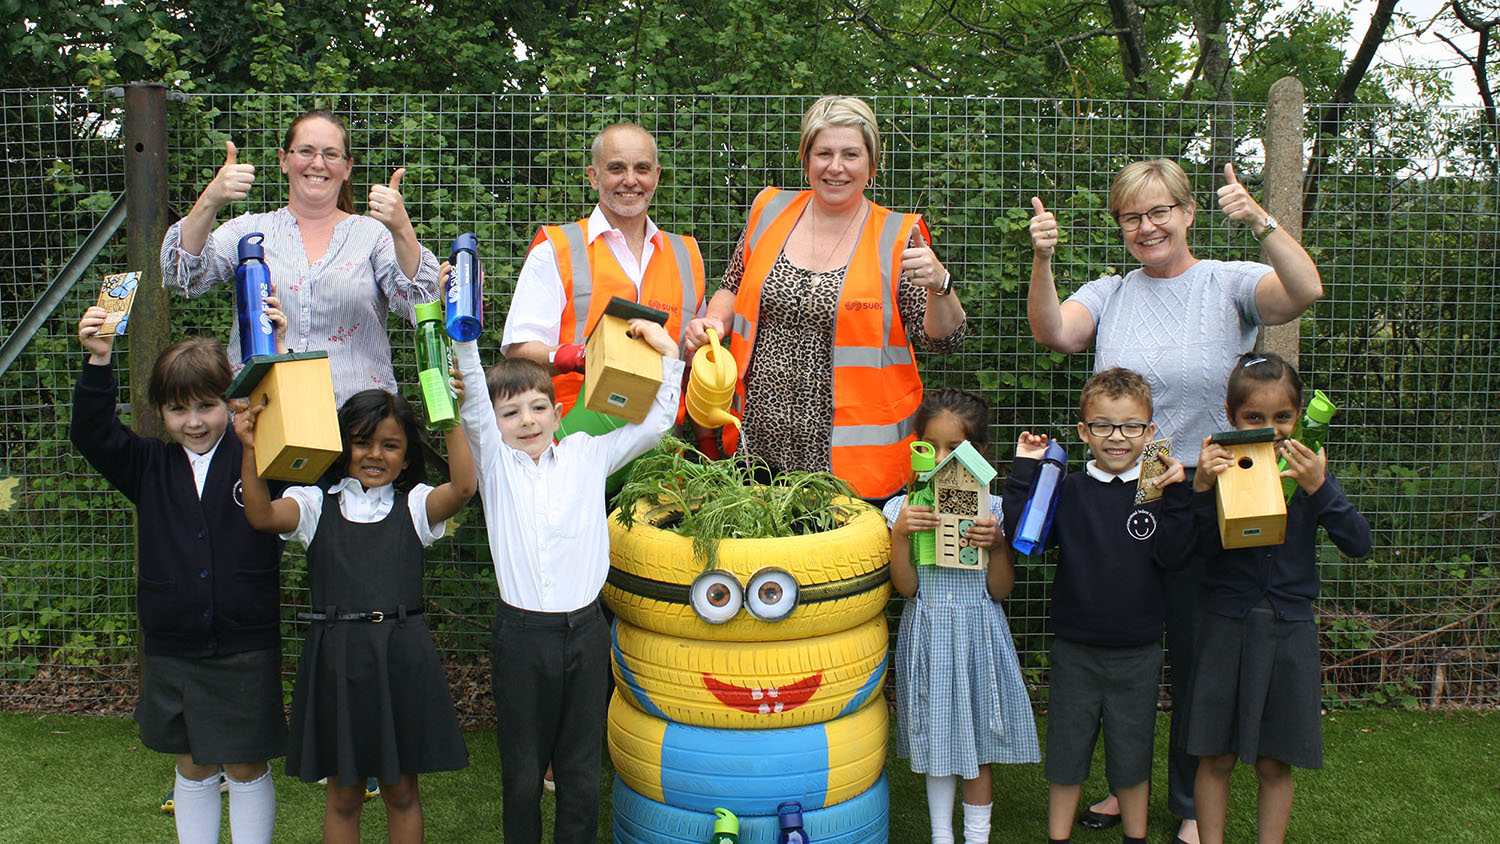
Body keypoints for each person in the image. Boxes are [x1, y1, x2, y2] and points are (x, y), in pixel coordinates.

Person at [1026, 159, 1324, 843]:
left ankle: (1190, 804)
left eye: (1160, 211)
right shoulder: (1112, 291)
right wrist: (1043, 260)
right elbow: (1056, 332)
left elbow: (1304, 289)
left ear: (1189, 213)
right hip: (1131, 490)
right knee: (1126, 645)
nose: (1146, 226)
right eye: (1132, 216)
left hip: (1211, 489)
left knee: (1196, 654)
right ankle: (1125, 786)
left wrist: (1261, 222)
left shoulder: (1228, 282)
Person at [454, 317, 684, 844]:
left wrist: (670, 357)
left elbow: (655, 424)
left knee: (580, 769)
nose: (526, 420)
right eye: (509, 413)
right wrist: (464, 337)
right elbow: (473, 408)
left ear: (558, 413)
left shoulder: (587, 452)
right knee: (522, 772)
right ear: (492, 423)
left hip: (585, 630)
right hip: (521, 637)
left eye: (537, 408)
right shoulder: (495, 465)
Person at [71, 309, 287, 844]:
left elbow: (299, 428)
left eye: (207, 406)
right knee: (192, 764)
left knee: (243, 764)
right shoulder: (147, 466)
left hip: (245, 643)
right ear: (160, 413)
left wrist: (277, 358)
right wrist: (99, 358)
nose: (194, 422)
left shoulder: (261, 455)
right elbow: (91, 433)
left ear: (232, 401)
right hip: (174, 645)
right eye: (176, 409)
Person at [686, 95, 967, 499]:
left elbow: (943, 341)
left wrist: (941, 285)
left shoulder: (897, 236)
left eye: (851, 154)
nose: (836, 167)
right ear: (806, 160)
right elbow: (733, 284)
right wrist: (715, 321)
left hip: (853, 467)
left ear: (872, 165)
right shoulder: (769, 211)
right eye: (824, 153)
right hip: (756, 450)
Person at [234, 388, 475, 844]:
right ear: (343, 446)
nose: (374, 454)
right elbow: (262, 515)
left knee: (401, 790)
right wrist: (249, 449)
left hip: (400, 658)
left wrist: (451, 416)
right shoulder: (313, 504)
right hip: (336, 662)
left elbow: (463, 486)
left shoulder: (415, 506)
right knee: (344, 795)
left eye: (390, 445)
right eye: (362, 441)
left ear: (406, 458)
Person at [1000, 368, 1195, 844]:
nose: (1117, 437)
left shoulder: (1159, 490)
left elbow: (1177, 555)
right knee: (1067, 751)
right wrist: (1026, 468)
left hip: (1139, 649)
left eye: (1131, 426)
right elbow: (1025, 536)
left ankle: (1136, 836)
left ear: (1149, 432)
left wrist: (1182, 494)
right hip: (1075, 648)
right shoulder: (1066, 488)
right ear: (1085, 431)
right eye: (1103, 425)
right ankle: (1058, 836)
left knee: (1132, 751)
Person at [1187, 353, 1370, 844]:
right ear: (1231, 415)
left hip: (1290, 627)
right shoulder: (1221, 465)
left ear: (1297, 414)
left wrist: (1321, 487)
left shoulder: (1309, 471)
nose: (1270, 430)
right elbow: (1188, 553)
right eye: (1255, 418)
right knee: (1217, 754)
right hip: (1227, 624)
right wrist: (1201, 489)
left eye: (1282, 417)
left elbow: (1360, 543)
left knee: (1274, 760)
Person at [162, 108, 440, 405]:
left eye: (331, 155)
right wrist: (210, 199)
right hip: (264, 415)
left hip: (356, 424)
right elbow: (182, 277)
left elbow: (422, 303)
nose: (318, 163)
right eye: (306, 151)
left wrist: (401, 229)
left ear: (347, 167)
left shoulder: (372, 235)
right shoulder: (251, 229)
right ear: (284, 159)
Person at [884, 388, 1038, 844]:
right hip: (929, 634)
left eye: (958, 447)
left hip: (978, 637)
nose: (944, 457)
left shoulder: (993, 510)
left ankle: (976, 837)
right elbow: (907, 589)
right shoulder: (902, 510)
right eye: (934, 446)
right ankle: (940, 837)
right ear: (917, 446)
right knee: (936, 742)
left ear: (981, 453)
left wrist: (998, 546)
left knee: (978, 744)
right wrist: (899, 538)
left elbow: (1001, 590)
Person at [501, 122, 705, 423]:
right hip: (572, 440)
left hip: (660, 453)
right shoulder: (557, 250)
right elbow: (519, 351)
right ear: (594, 177)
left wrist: (706, 443)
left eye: (642, 168)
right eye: (616, 168)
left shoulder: (687, 256)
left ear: (657, 176)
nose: (631, 180)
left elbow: (693, 363)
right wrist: (575, 356)